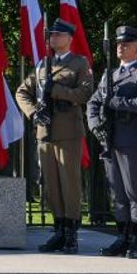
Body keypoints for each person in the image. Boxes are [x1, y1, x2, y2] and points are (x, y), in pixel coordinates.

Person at [15, 18, 94, 253]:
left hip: (68, 130)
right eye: (52, 35)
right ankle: (58, 229)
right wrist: (32, 113)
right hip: (45, 130)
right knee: (50, 184)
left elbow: (85, 93)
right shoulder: (42, 64)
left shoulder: (79, 63)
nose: (53, 38)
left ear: (69, 39)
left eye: (59, 35)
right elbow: (22, 92)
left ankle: (71, 232)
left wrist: (57, 90)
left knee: (69, 182)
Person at [86, 25, 137, 258]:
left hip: (132, 138)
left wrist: (115, 102)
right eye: (118, 43)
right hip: (110, 139)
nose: (120, 47)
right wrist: (96, 126)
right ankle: (122, 236)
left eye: (125, 44)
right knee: (117, 192)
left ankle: (136, 240)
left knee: (134, 191)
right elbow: (93, 103)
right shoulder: (110, 74)